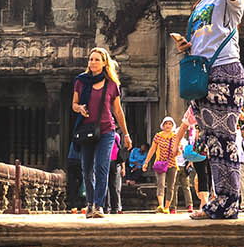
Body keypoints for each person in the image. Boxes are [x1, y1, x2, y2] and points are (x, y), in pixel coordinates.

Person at [172, 0, 244, 219]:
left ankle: (230, 201)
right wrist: (187, 46)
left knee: (225, 138)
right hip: (203, 71)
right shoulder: (202, 2)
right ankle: (219, 199)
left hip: (226, 71)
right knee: (211, 141)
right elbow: (204, 37)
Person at [71, 47, 132, 220]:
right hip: (86, 130)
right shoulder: (81, 82)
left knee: (102, 167)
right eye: (91, 59)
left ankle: (99, 205)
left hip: (106, 130)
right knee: (87, 169)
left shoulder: (112, 85)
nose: (93, 62)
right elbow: (74, 104)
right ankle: (89, 203)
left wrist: (126, 134)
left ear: (105, 63)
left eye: (97, 59)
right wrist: (79, 108)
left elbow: (118, 111)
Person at [146, 117, 178, 213]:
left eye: (170, 124)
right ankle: (161, 205)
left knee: (171, 186)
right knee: (160, 184)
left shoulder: (175, 136)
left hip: (172, 164)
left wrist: (178, 151)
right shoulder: (158, 136)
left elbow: (178, 150)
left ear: (172, 126)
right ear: (163, 125)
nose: (168, 125)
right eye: (166, 124)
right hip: (160, 164)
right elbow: (152, 149)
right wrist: (146, 162)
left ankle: (167, 207)